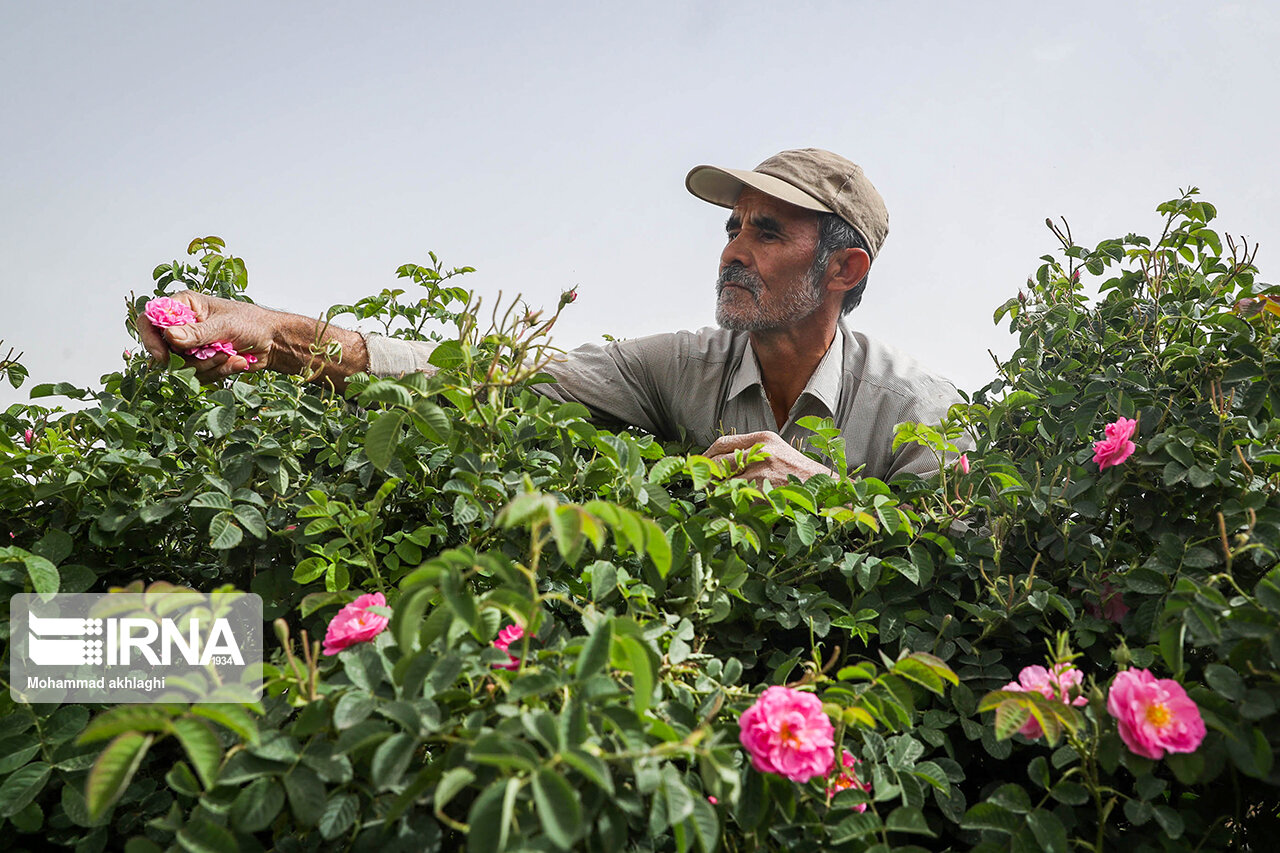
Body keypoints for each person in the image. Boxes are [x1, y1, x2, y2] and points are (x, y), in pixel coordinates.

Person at [138, 148, 966, 484]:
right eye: (731, 226)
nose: (731, 251)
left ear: (845, 269)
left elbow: (961, 581)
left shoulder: (919, 413)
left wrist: (829, 499)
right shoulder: (675, 367)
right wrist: (268, 333)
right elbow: (475, 373)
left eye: (767, 231)